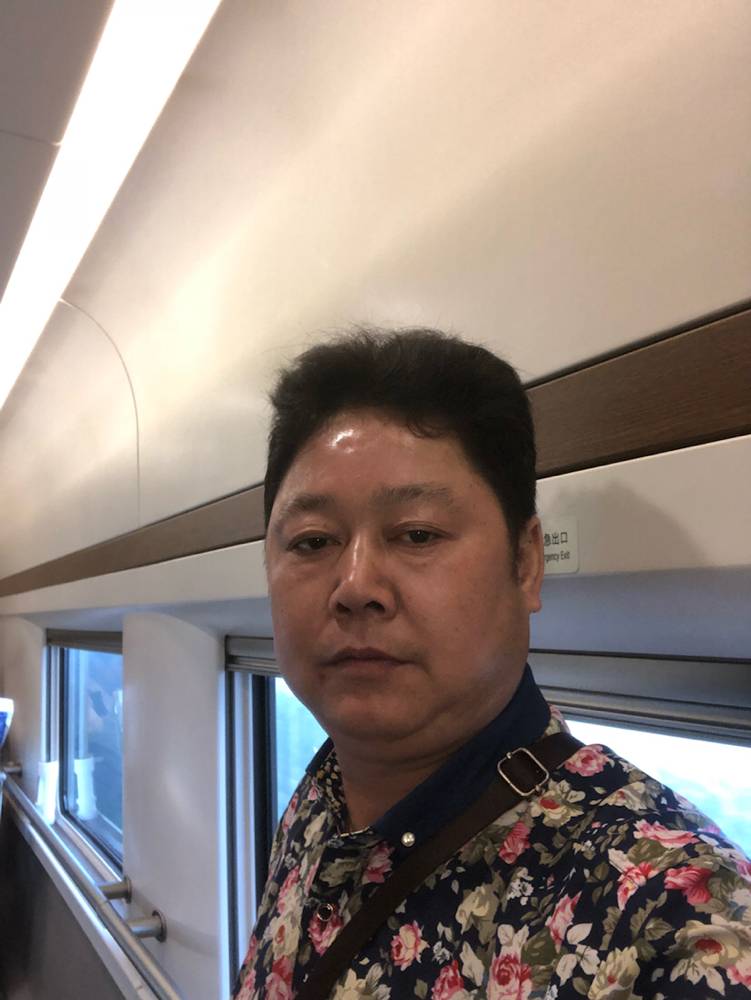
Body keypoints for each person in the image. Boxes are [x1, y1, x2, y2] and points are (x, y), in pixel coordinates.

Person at [233, 329, 751, 1000]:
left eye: (417, 534)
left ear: (525, 563)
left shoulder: (676, 922)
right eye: (312, 542)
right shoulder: (319, 798)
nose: (355, 585)